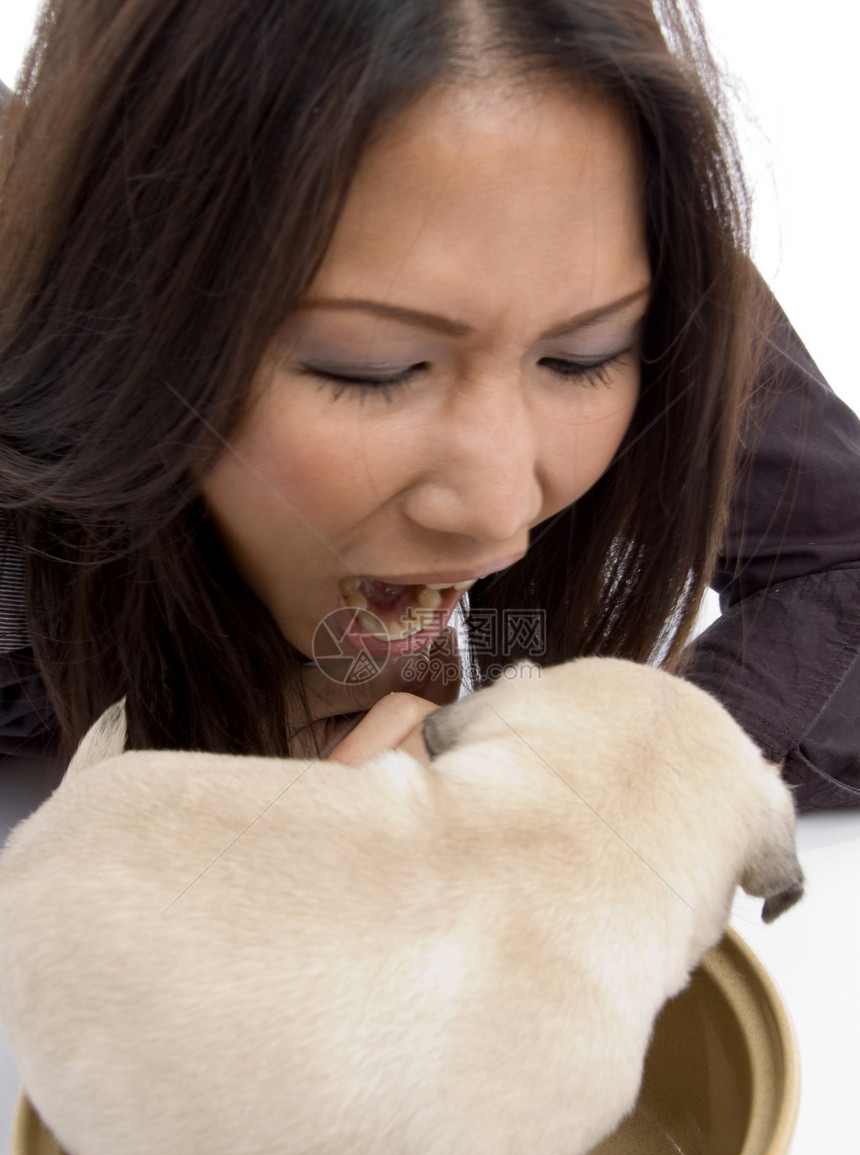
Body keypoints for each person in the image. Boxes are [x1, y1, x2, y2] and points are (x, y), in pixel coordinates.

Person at [0, 0, 858, 813]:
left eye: (579, 357)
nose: (499, 521)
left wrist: (579, 788)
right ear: (114, 304)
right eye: (373, 368)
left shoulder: (605, 238)